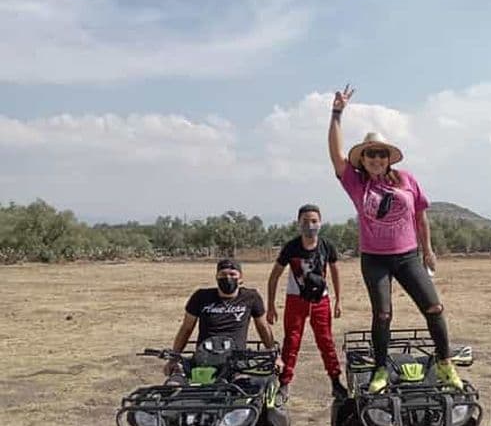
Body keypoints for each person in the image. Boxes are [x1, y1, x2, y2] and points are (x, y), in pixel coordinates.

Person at [327, 84, 462, 393]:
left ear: (389, 159)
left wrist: (428, 250)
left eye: (381, 154)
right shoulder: (356, 184)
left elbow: (421, 215)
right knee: (383, 314)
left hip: (408, 256)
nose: (376, 158)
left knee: (434, 308)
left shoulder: (407, 179)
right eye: (371, 154)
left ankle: (445, 364)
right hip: (375, 259)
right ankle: (380, 369)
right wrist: (337, 113)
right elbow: (335, 154)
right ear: (363, 160)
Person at [266, 204, 347, 401]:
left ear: (320, 223)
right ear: (298, 223)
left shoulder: (326, 246)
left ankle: (336, 382)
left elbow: (335, 272)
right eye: (305, 221)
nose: (310, 225)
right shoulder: (291, 247)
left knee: (326, 341)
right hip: (296, 300)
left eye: (314, 221)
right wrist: (270, 305)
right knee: (291, 342)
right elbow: (274, 276)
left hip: (321, 300)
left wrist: (338, 300)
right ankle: (284, 384)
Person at [165, 259, 277, 378]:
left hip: (236, 360)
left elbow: (263, 326)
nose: (228, 278)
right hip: (204, 358)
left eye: (232, 274)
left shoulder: (251, 297)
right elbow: (186, 328)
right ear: (217, 277)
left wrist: (273, 355)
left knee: (246, 386)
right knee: (176, 383)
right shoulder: (201, 297)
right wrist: (174, 357)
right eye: (223, 275)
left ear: (240, 278)